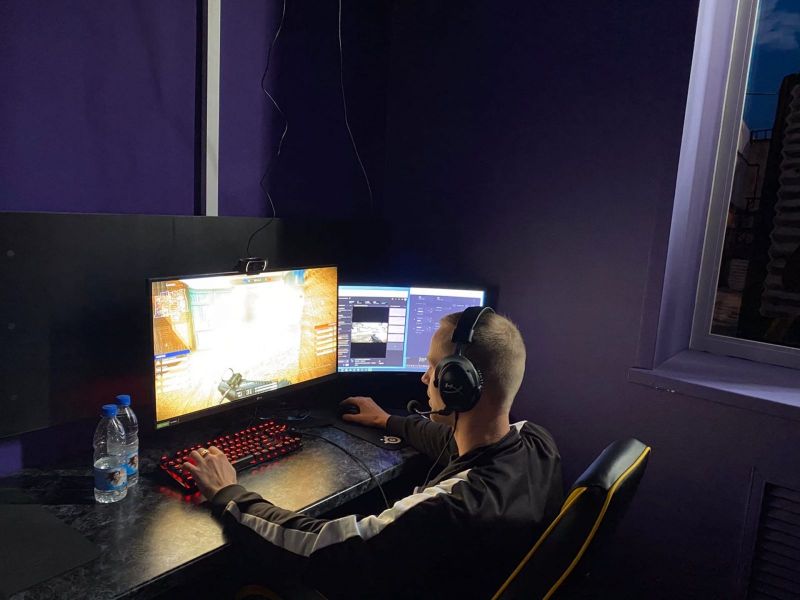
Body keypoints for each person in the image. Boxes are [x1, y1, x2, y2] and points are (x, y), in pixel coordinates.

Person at [184, 309, 563, 599]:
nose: (425, 378)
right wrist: (388, 421)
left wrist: (230, 494)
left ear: (456, 385)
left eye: (433, 367)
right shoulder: (536, 444)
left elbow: (320, 544)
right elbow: (453, 443)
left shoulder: (450, 507)